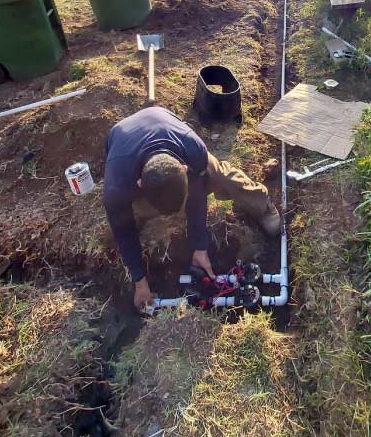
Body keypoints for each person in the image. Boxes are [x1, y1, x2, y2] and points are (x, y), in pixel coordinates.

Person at [102, 106, 280, 310]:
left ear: (185, 170)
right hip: (123, 142)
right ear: (140, 184)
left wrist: (200, 246)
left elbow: (198, 195)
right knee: (128, 218)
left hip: (167, 127)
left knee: (220, 175)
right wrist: (140, 282)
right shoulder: (117, 184)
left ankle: (261, 204)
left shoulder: (194, 150)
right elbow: (123, 231)